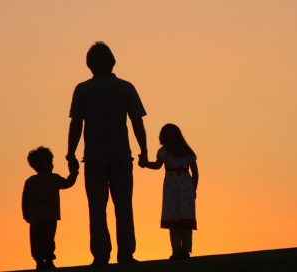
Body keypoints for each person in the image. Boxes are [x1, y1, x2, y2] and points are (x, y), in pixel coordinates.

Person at [66, 41, 148, 265]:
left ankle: (101, 255)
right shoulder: (126, 87)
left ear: (89, 65)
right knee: (124, 207)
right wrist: (144, 151)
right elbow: (137, 122)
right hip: (121, 155)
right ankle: (126, 254)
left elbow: (76, 124)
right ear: (112, 62)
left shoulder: (82, 90)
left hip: (94, 157)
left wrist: (70, 153)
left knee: (96, 209)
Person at [139, 123, 199, 260]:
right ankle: (185, 250)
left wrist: (145, 163)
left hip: (172, 186)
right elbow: (195, 173)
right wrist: (194, 188)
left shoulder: (165, 151)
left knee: (174, 218)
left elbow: (157, 166)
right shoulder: (187, 152)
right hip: (185, 185)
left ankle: (177, 250)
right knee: (185, 218)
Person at [22, 146, 79, 270]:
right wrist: (74, 172)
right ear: (47, 163)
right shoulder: (53, 178)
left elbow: (25, 200)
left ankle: (39, 261)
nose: (53, 165)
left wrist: (26, 215)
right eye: (51, 162)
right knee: (48, 239)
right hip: (49, 217)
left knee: (36, 240)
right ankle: (48, 260)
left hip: (35, 218)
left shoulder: (30, 182)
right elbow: (68, 183)